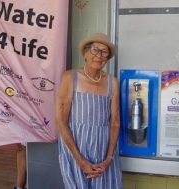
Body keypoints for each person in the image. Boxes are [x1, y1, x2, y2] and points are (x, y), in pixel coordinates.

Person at [55, 33, 123, 189]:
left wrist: (109, 158)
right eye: (95, 50)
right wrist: (81, 161)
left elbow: (115, 123)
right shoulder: (70, 77)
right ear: (85, 53)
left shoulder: (112, 83)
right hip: (75, 150)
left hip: (103, 151)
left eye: (104, 52)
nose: (99, 56)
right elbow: (61, 121)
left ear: (107, 58)